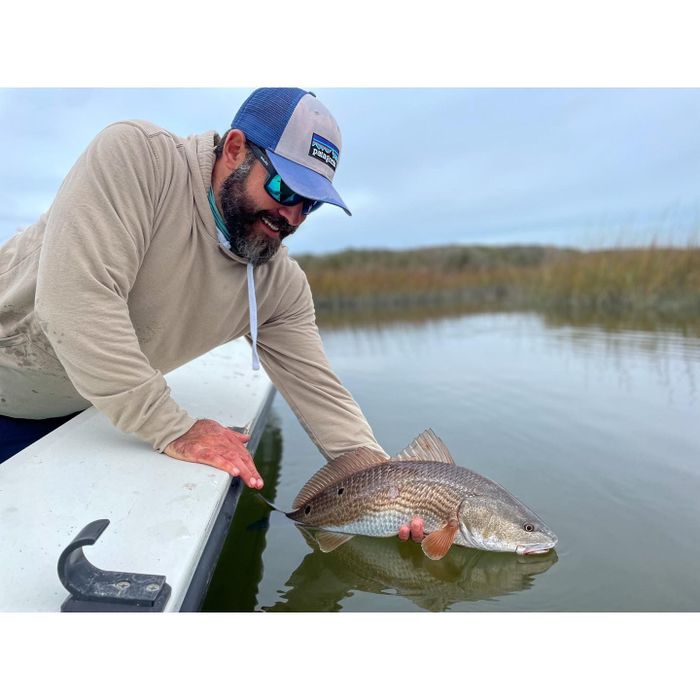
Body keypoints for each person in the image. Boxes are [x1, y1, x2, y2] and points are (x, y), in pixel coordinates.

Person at [0, 87, 424, 543]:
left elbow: (322, 394)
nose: (293, 217)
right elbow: (74, 302)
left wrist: (393, 486)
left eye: (311, 203)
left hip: (86, 409)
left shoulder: (279, 285)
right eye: (285, 188)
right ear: (236, 148)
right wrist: (174, 428)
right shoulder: (139, 159)